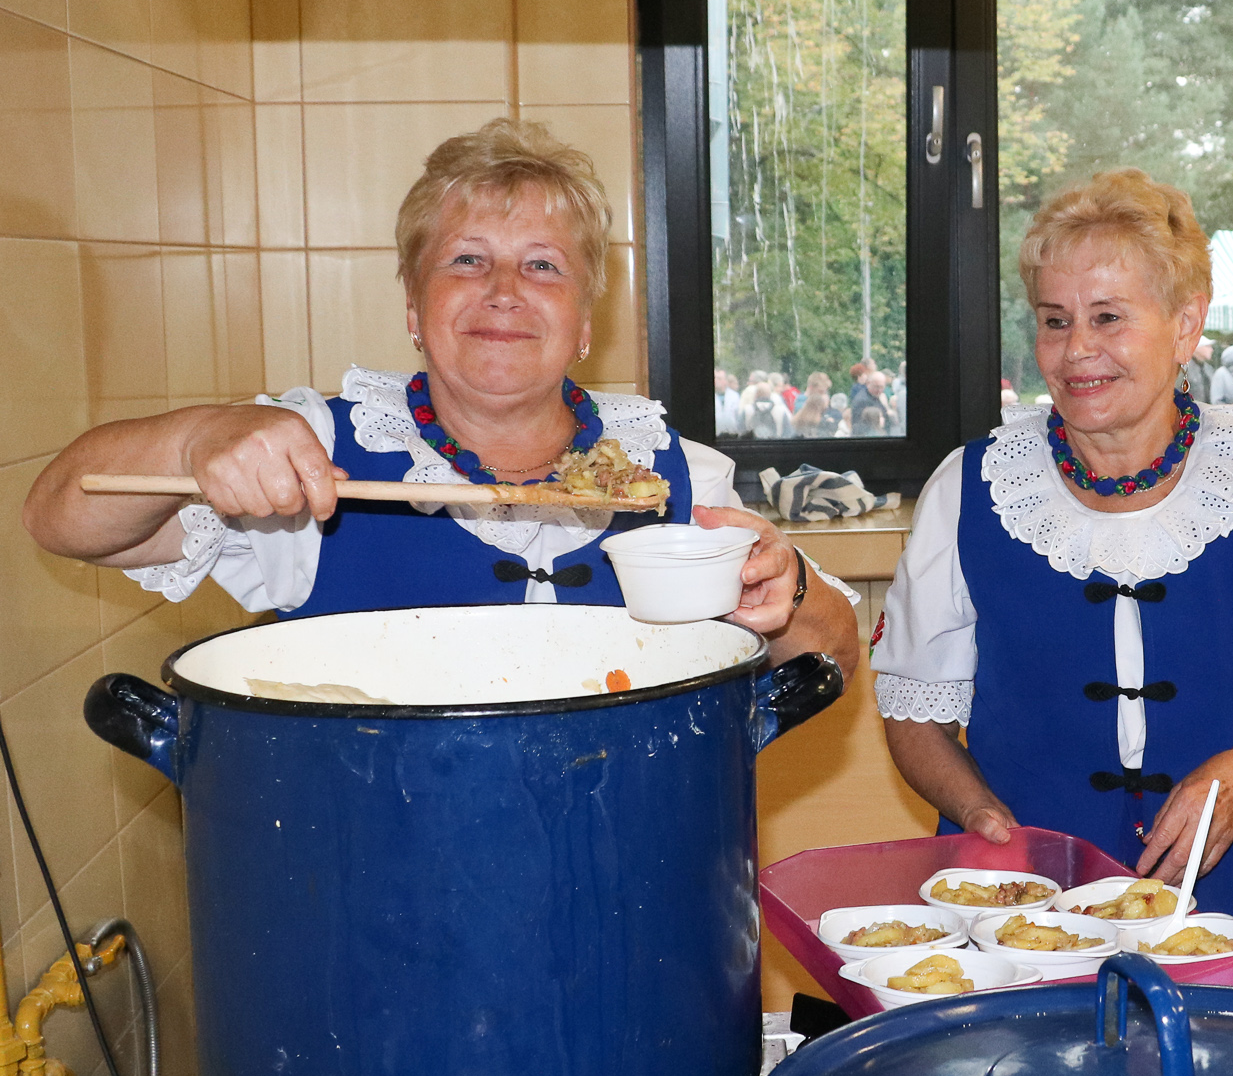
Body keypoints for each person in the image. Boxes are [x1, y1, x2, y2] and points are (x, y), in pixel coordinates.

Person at [24, 118, 859, 669]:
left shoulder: (671, 471)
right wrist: (195, 439)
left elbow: (836, 653)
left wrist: (788, 591)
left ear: (583, 323)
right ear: (414, 308)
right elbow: (57, 515)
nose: (504, 290)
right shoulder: (311, 459)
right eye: (466, 259)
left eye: (543, 265)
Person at [871, 169, 1233, 943]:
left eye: (1108, 317)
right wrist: (980, 813)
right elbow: (914, 711)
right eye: (1055, 321)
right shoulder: (968, 489)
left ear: (1186, 324)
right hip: (1026, 917)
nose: (1076, 350)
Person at [1185, 336, 1217, 403]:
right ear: (1196, 347)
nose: (1211, 350)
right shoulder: (1184, 368)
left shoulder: (1209, 368)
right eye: (1207, 346)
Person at [713, 368, 743, 436]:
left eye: (719, 378)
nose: (716, 380)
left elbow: (738, 416)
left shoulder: (734, 396)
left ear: (725, 381)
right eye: (714, 378)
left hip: (732, 434)